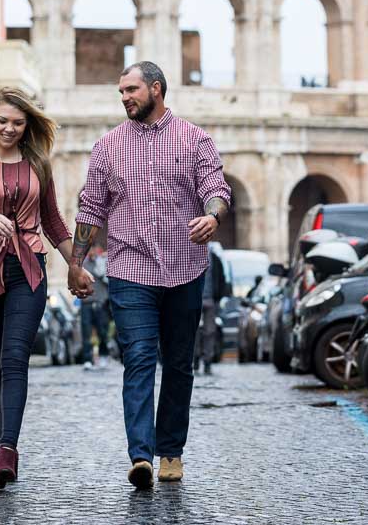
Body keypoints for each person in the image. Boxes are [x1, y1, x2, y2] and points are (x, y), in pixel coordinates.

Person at [68, 61, 231, 489]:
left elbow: (216, 190)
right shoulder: (107, 147)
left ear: (156, 89)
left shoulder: (196, 140)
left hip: (185, 268)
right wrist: (76, 261)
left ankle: (170, 451)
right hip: (130, 269)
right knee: (138, 357)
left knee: (178, 364)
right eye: (121, 91)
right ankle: (140, 455)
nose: (124, 97)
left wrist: (212, 218)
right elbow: (91, 209)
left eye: (131, 90)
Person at [0, 87, 89, 490]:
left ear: (27, 125)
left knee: (15, 356)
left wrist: (76, 265)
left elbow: (53, 222)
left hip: (28, 270)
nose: (10, 129)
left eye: (18, 122)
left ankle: (7, 449)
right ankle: (3, 441)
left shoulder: (38, 165)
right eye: (3, 121)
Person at [194, 242, 229, 375]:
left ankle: (208, 361)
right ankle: (195, 358)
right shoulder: (191, 254)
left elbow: (222, 279)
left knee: (210, 331)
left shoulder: (214, 258)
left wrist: (218, 297)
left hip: (210, 300)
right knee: (194, 330)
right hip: (194, 299)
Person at [80, 245, 110, 370]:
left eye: (93, 250)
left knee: (102, 331)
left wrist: (101, 262)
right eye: (89, 250)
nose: (91, 252)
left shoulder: (102, 263)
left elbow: (106, 279)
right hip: (86, 302)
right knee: (86, 332)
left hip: (100, 302)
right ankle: (87, 359)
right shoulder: (83, 265)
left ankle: (104, 355)